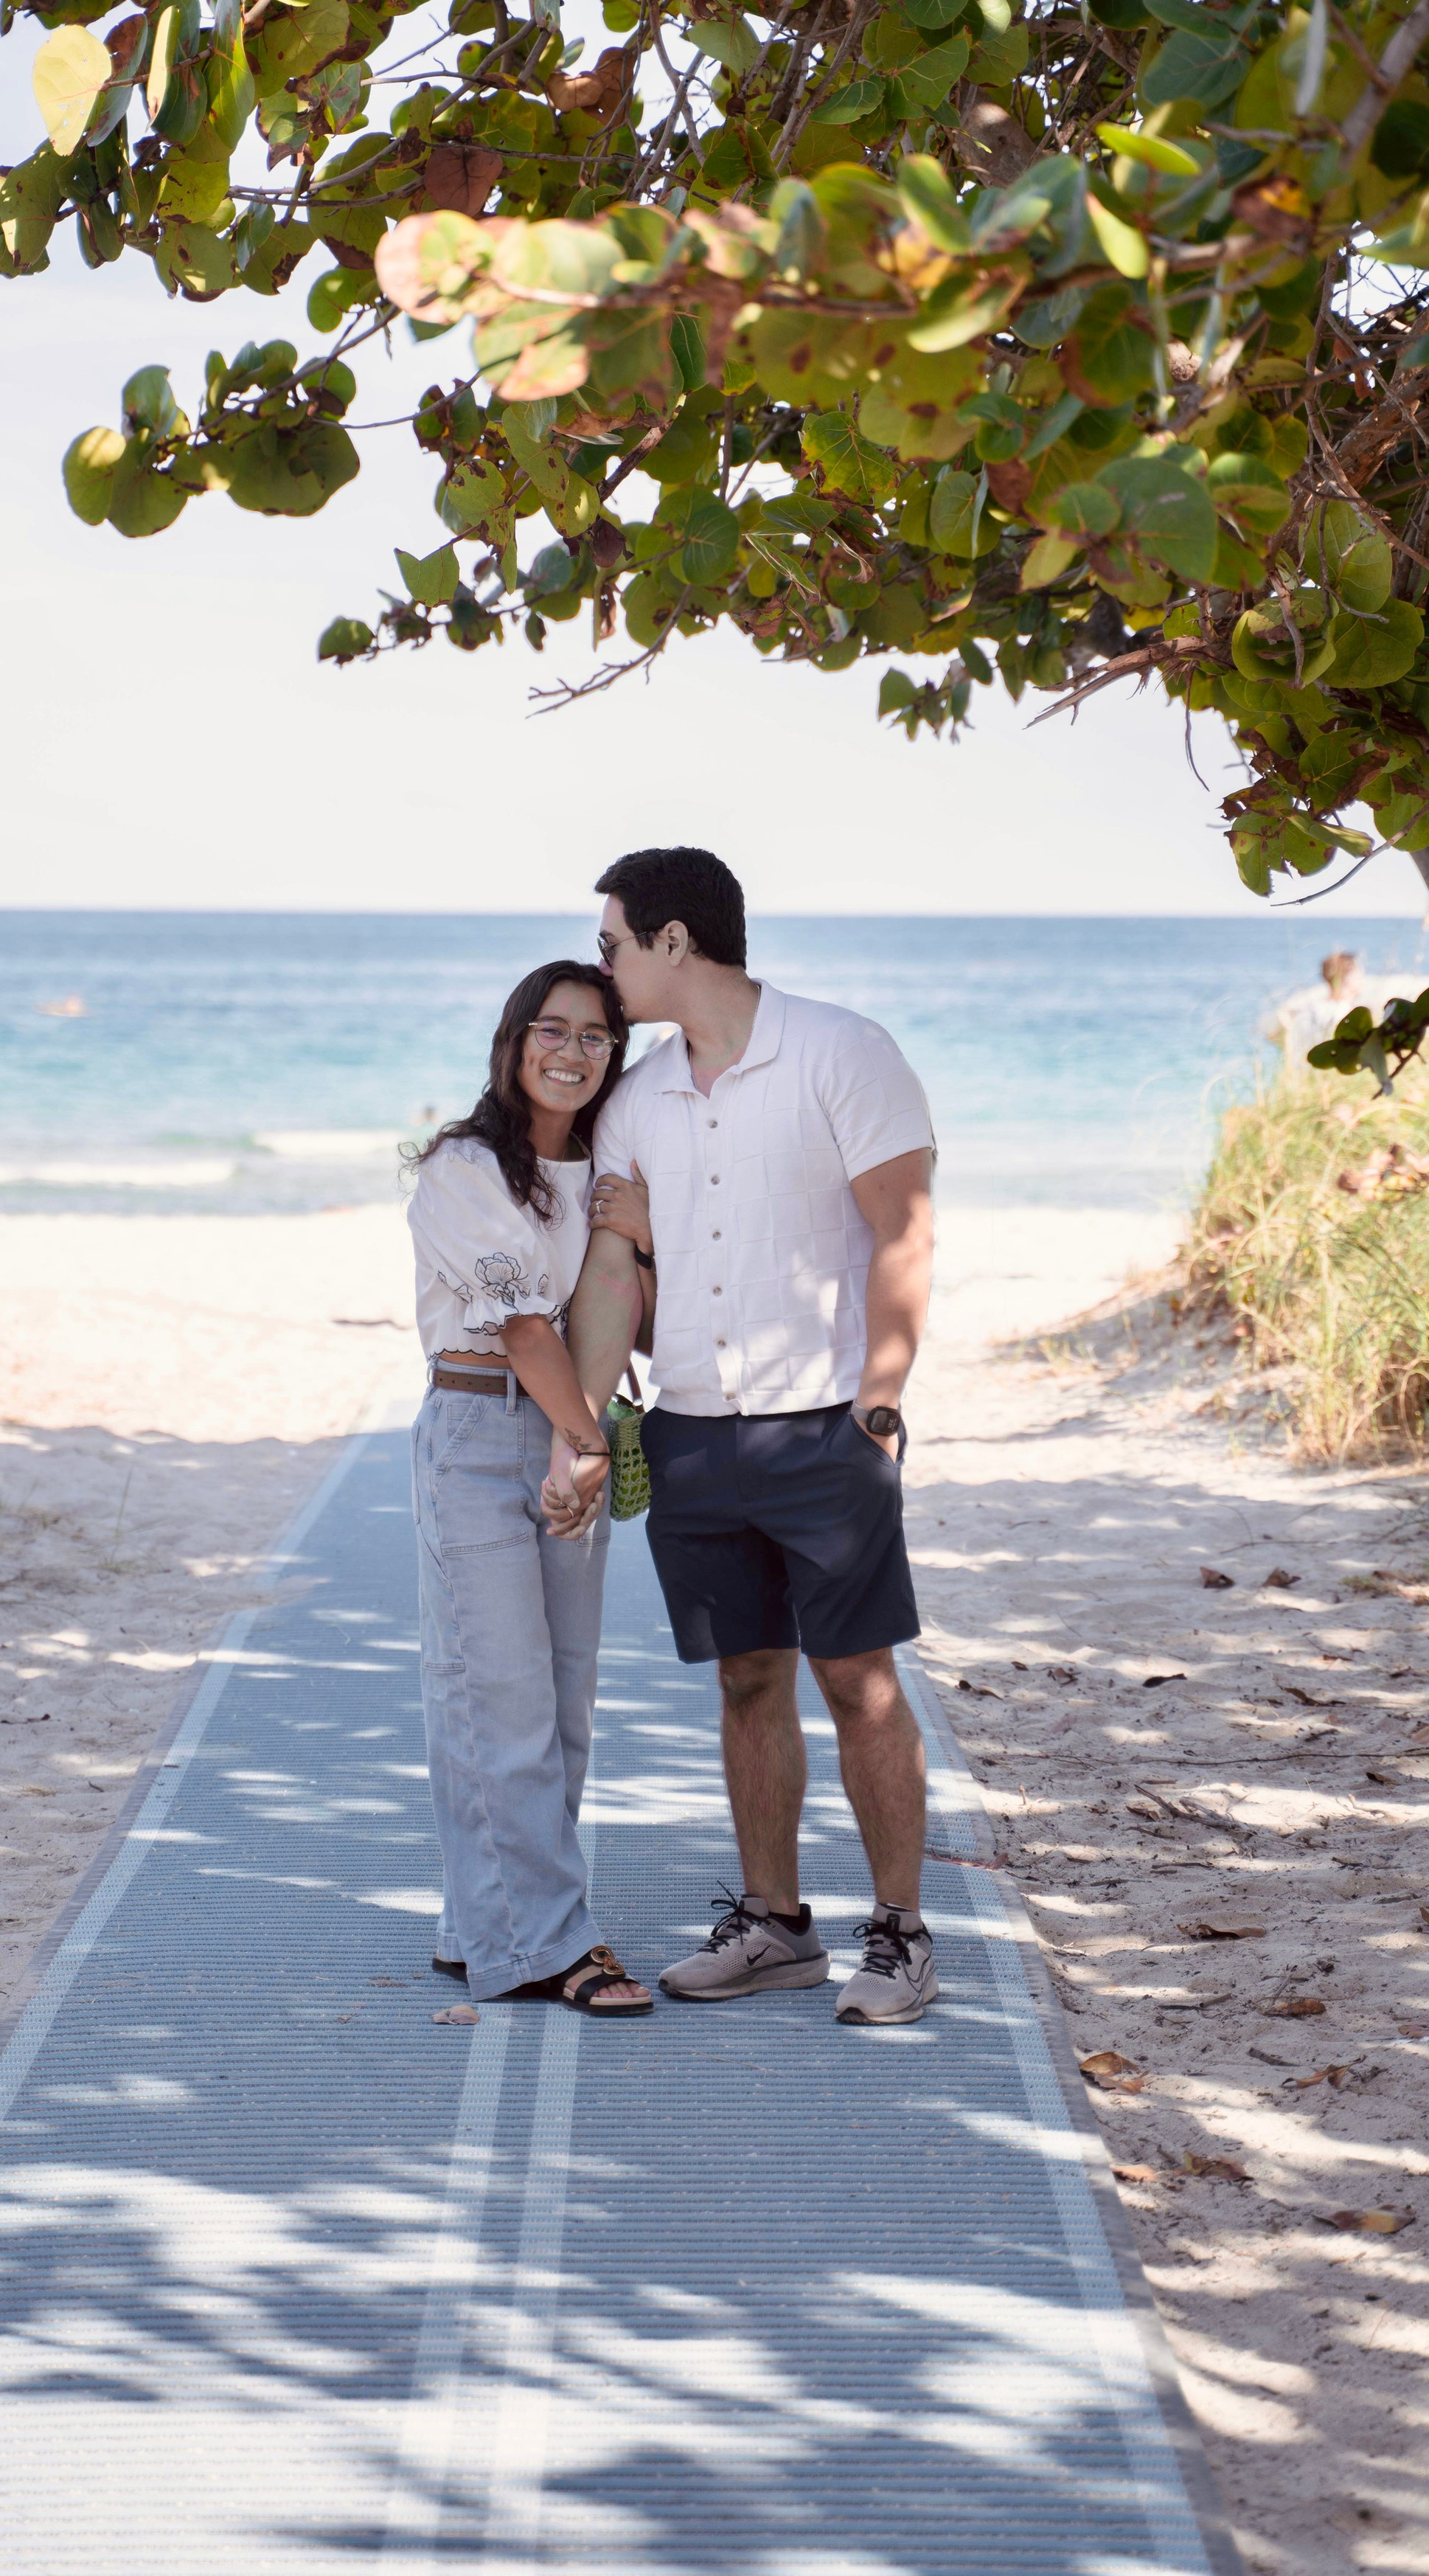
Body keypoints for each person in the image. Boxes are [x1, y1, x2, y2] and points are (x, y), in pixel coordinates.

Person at [552, 850, 939, 2027]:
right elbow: (621, 1268)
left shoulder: (842, 1050)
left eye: (614, 942)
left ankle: (902, 1934)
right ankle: (776, 1925)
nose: (605, 965)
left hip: (826, 1423)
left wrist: (880, 1398)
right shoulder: (636, 1097)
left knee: (859, 1681)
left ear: (674, 943)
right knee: (745, 1675)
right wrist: (583, 1420)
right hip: (692, 1432)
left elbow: (904, 1235)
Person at [406, 962, 653, 2017]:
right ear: (513, 1042)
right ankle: (560, 1944)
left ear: (613, 1058)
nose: (571, 1050)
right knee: (493, 1695)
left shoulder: (605, 1173)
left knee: (561, 1703)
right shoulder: (464, 1167)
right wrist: (584, 1440)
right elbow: (518, 1323)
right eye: (550, 1029)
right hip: (482, 1429)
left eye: (595, 1036)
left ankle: (489, 1924)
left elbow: (637, 1309)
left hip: (568, 1425)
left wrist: (640, 1227)